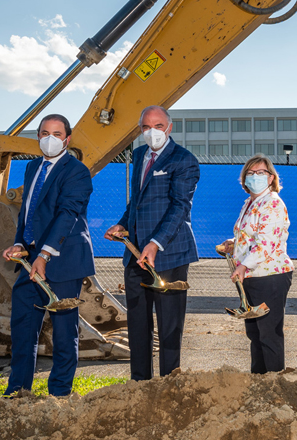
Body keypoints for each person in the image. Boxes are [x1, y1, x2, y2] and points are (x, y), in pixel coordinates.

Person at [104, 105, 200, 381]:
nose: (152, 132)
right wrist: (123, 224)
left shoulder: (184, 160)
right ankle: (139, 383)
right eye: (146, 127)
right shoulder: (138, 155)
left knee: (169, 325)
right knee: (138, 323)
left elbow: (180, 207)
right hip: (135, 253)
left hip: (169, 254)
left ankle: (170, 385)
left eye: (158, 126)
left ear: (169, 128)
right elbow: (137, 201)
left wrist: (156, 243)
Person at [1, 114, 95, 396]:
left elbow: (68, 214)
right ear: (38, 136)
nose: (49, 139)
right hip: (30, 262)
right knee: (22, 330)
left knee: (65, 333)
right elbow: (27, 214)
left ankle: (59, 394)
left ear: (67, 139)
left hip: (63, 262)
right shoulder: (32, 167)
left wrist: (43, 254)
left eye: (56, 133)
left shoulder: (77, 171)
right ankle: (18, 392)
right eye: (44, 133)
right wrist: (20, 244)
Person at [221, 154, 294, 374]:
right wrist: (234, 243)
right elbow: (252, 235)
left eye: (260, 173)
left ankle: (273, 385)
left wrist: (243, 266)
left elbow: (266, 242)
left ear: (271, 177)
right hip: (252, 277)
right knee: (255, 334)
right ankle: (258, 383)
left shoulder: (272, 203)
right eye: (250, 173)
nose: (255, 177)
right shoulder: (251, 203)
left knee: (269, 334)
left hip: (269, 276)